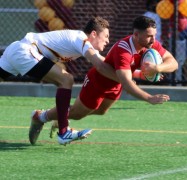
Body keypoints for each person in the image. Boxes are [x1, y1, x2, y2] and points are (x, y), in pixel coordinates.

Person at [31, 16, 178, 139]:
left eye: (154, 35)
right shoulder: (124, 50)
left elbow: (173, 63)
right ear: (136, 35)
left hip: (115, 84)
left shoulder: (151, 44)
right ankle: (41, 116)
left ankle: (60, 117)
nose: (153, 40)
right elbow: (126, 83)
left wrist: (157, 68)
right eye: (149, 36)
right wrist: (149, 98)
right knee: (77, 113)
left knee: (101, 111)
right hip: (98, 82)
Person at [0, 16, 118, 145]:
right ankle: (63, 132)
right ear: (94, 34)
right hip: (25, 50)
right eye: (106, 36)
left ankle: (49, 123)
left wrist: (132, 72)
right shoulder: (81, 39)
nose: (108, 40)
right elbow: (100, 65)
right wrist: (124, 79)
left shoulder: (84, 43)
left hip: (16, 49)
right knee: (66, 80)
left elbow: (103, 61)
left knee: (65, 80)